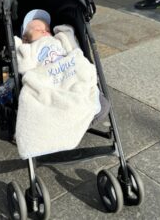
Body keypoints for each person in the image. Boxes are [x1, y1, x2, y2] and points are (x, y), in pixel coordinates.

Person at [13, 9, 100, 159]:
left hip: (70, 73)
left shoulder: (58, 40)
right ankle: (63, 121)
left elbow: (74, 49)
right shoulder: (30, 48)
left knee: (90, 93)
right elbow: (25, 67)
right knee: (35, 99)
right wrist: (19, 46)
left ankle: (68, 119)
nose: (44, 30)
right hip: (48, 79)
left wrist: (64, 33)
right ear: (26, 37)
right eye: (37, 29)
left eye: (46, 28)